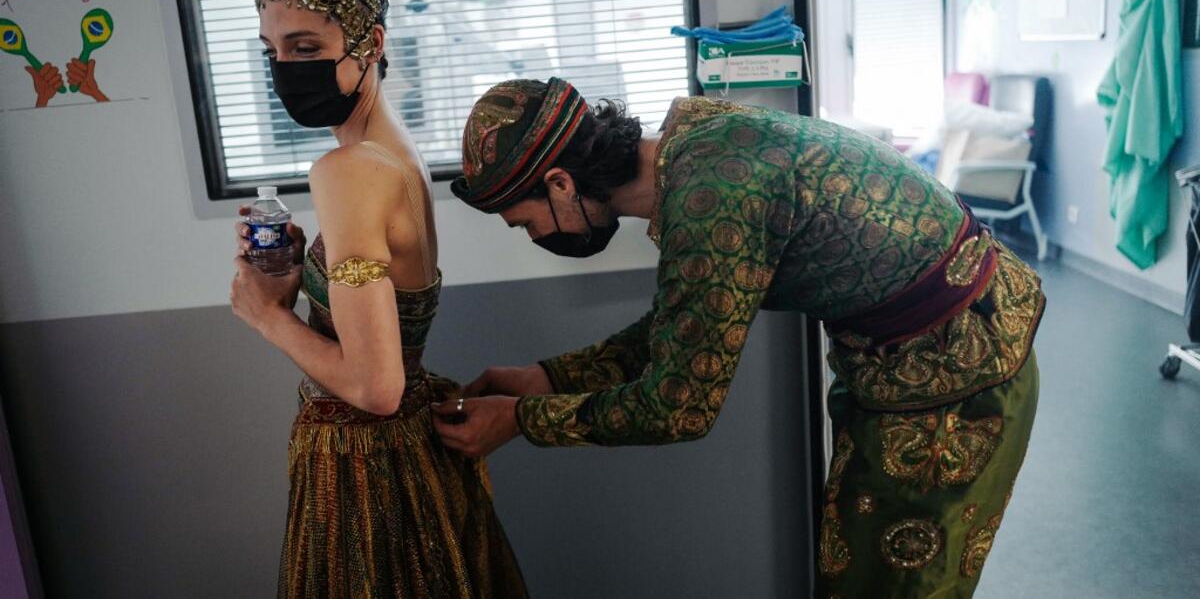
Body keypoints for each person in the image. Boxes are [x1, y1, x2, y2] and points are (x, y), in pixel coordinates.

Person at [432, 78, 1043, 597]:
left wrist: (521, 420)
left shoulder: (710, 199)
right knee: (854, 568)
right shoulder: (695, 140)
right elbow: (686, 324)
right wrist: (550, 378)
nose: (534, 236)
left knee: (899, 584)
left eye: (525, 221)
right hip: (905, 359)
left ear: (561, 184)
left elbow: (678, 407)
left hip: (957, 372)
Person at [229, 0, 526, 598]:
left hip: (367, 471)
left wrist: (267, 315)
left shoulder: (349, 170)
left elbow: (375, 386)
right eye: (270, 51)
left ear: (372, 42)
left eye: (305, 48)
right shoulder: (394, 154)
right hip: (408, 455)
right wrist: (307, 267)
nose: (284, 70)